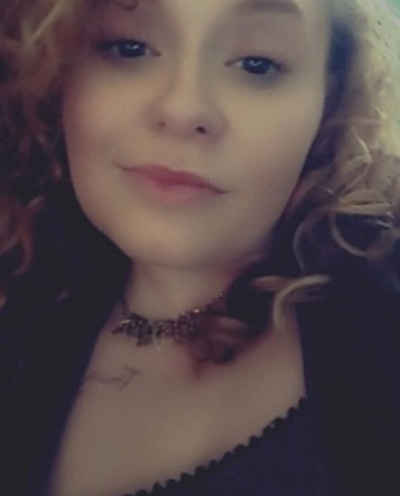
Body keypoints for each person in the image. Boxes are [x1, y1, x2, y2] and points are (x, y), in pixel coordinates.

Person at [0, 0, 400, 495]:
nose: (183, 108)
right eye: (129, 46)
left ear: (329, 98)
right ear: (52, 74)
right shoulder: (21, 304)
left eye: (257, 63)